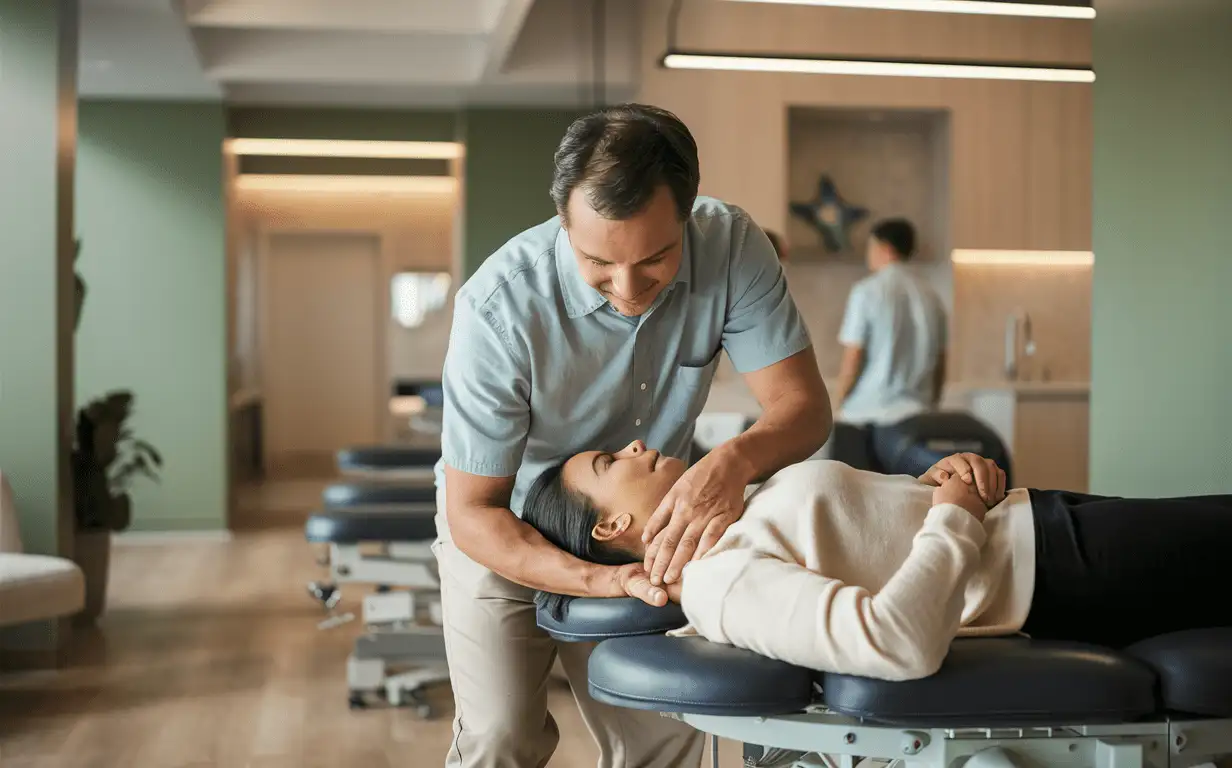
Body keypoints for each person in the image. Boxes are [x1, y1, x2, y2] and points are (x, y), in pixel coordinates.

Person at [434, 103, 832, 768]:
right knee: (501, 736)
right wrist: (595, 582)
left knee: (664, 734)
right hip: (503, 524)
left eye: (655, 259)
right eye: (596, 261)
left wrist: (732, 461)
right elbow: (472, 511)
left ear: (688, 211)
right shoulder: (498, 308)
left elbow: (803, 408)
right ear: (562, 219)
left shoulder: (731, 246)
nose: (627, 288)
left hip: (646, 532)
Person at [523, 440, 1232, 682]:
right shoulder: (720, 583)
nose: (640, 447)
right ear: (614, 524)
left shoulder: (731, 522)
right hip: (1058, 570)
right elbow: (895, 641)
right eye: (613, 461)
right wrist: (955, 513)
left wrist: (935, 482)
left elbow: (872, 539)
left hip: (1040, 523)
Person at [833, 218, 948, 426]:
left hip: (869, 413)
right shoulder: (931, 294)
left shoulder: (867, 291)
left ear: (884, 248)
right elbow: (941, 361)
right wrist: (932, 405)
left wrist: (838, 402)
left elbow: (853, 357)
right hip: (919, 415)